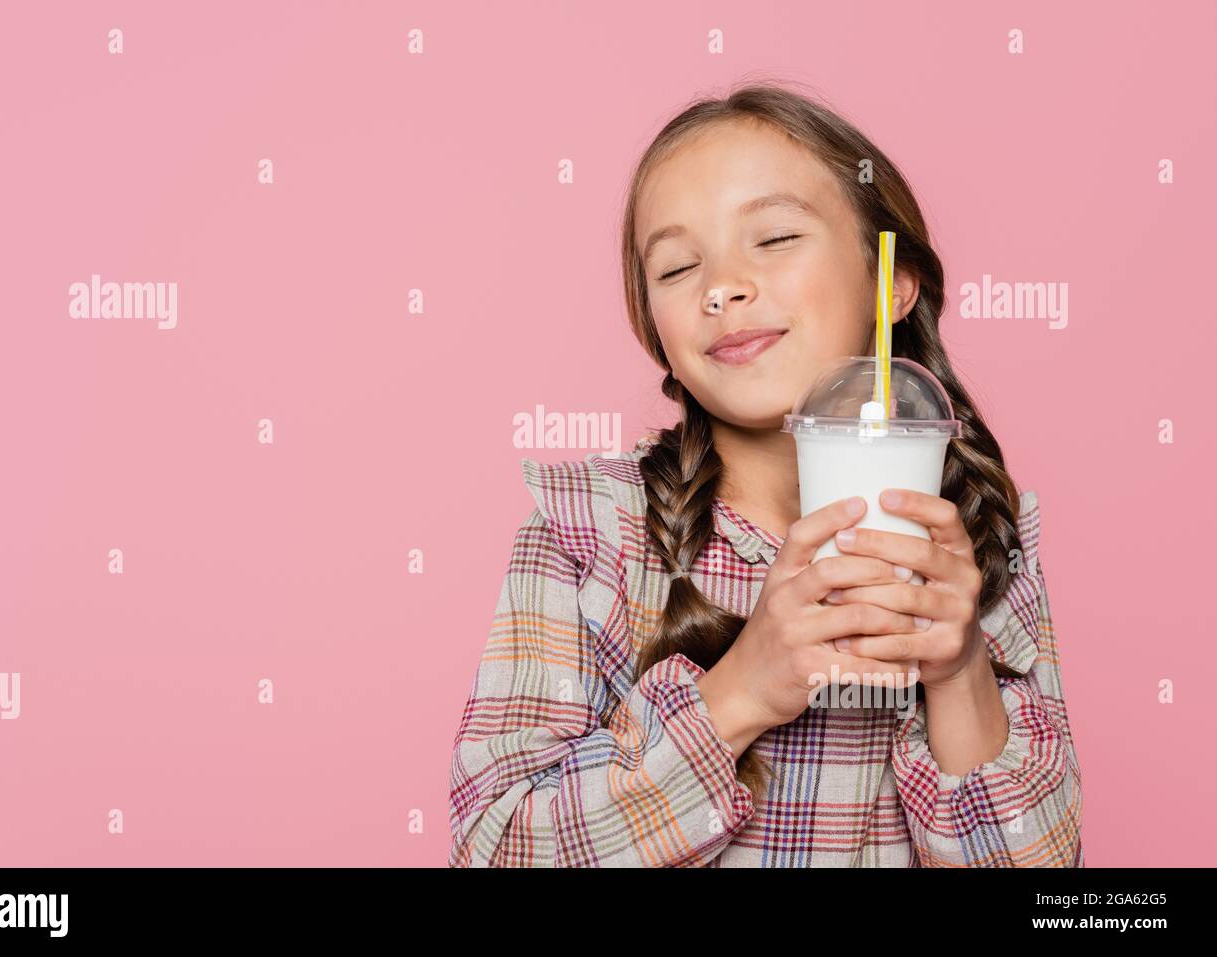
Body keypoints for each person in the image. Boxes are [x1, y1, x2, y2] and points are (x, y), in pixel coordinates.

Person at [447, 81, 1084, 867]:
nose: (722, 287)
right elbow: (494, 846)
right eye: (679, 268)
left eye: (776, 238)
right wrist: (743, 689)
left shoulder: (976, 538)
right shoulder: (589, 530)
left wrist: (958, 674)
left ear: (891, 283)